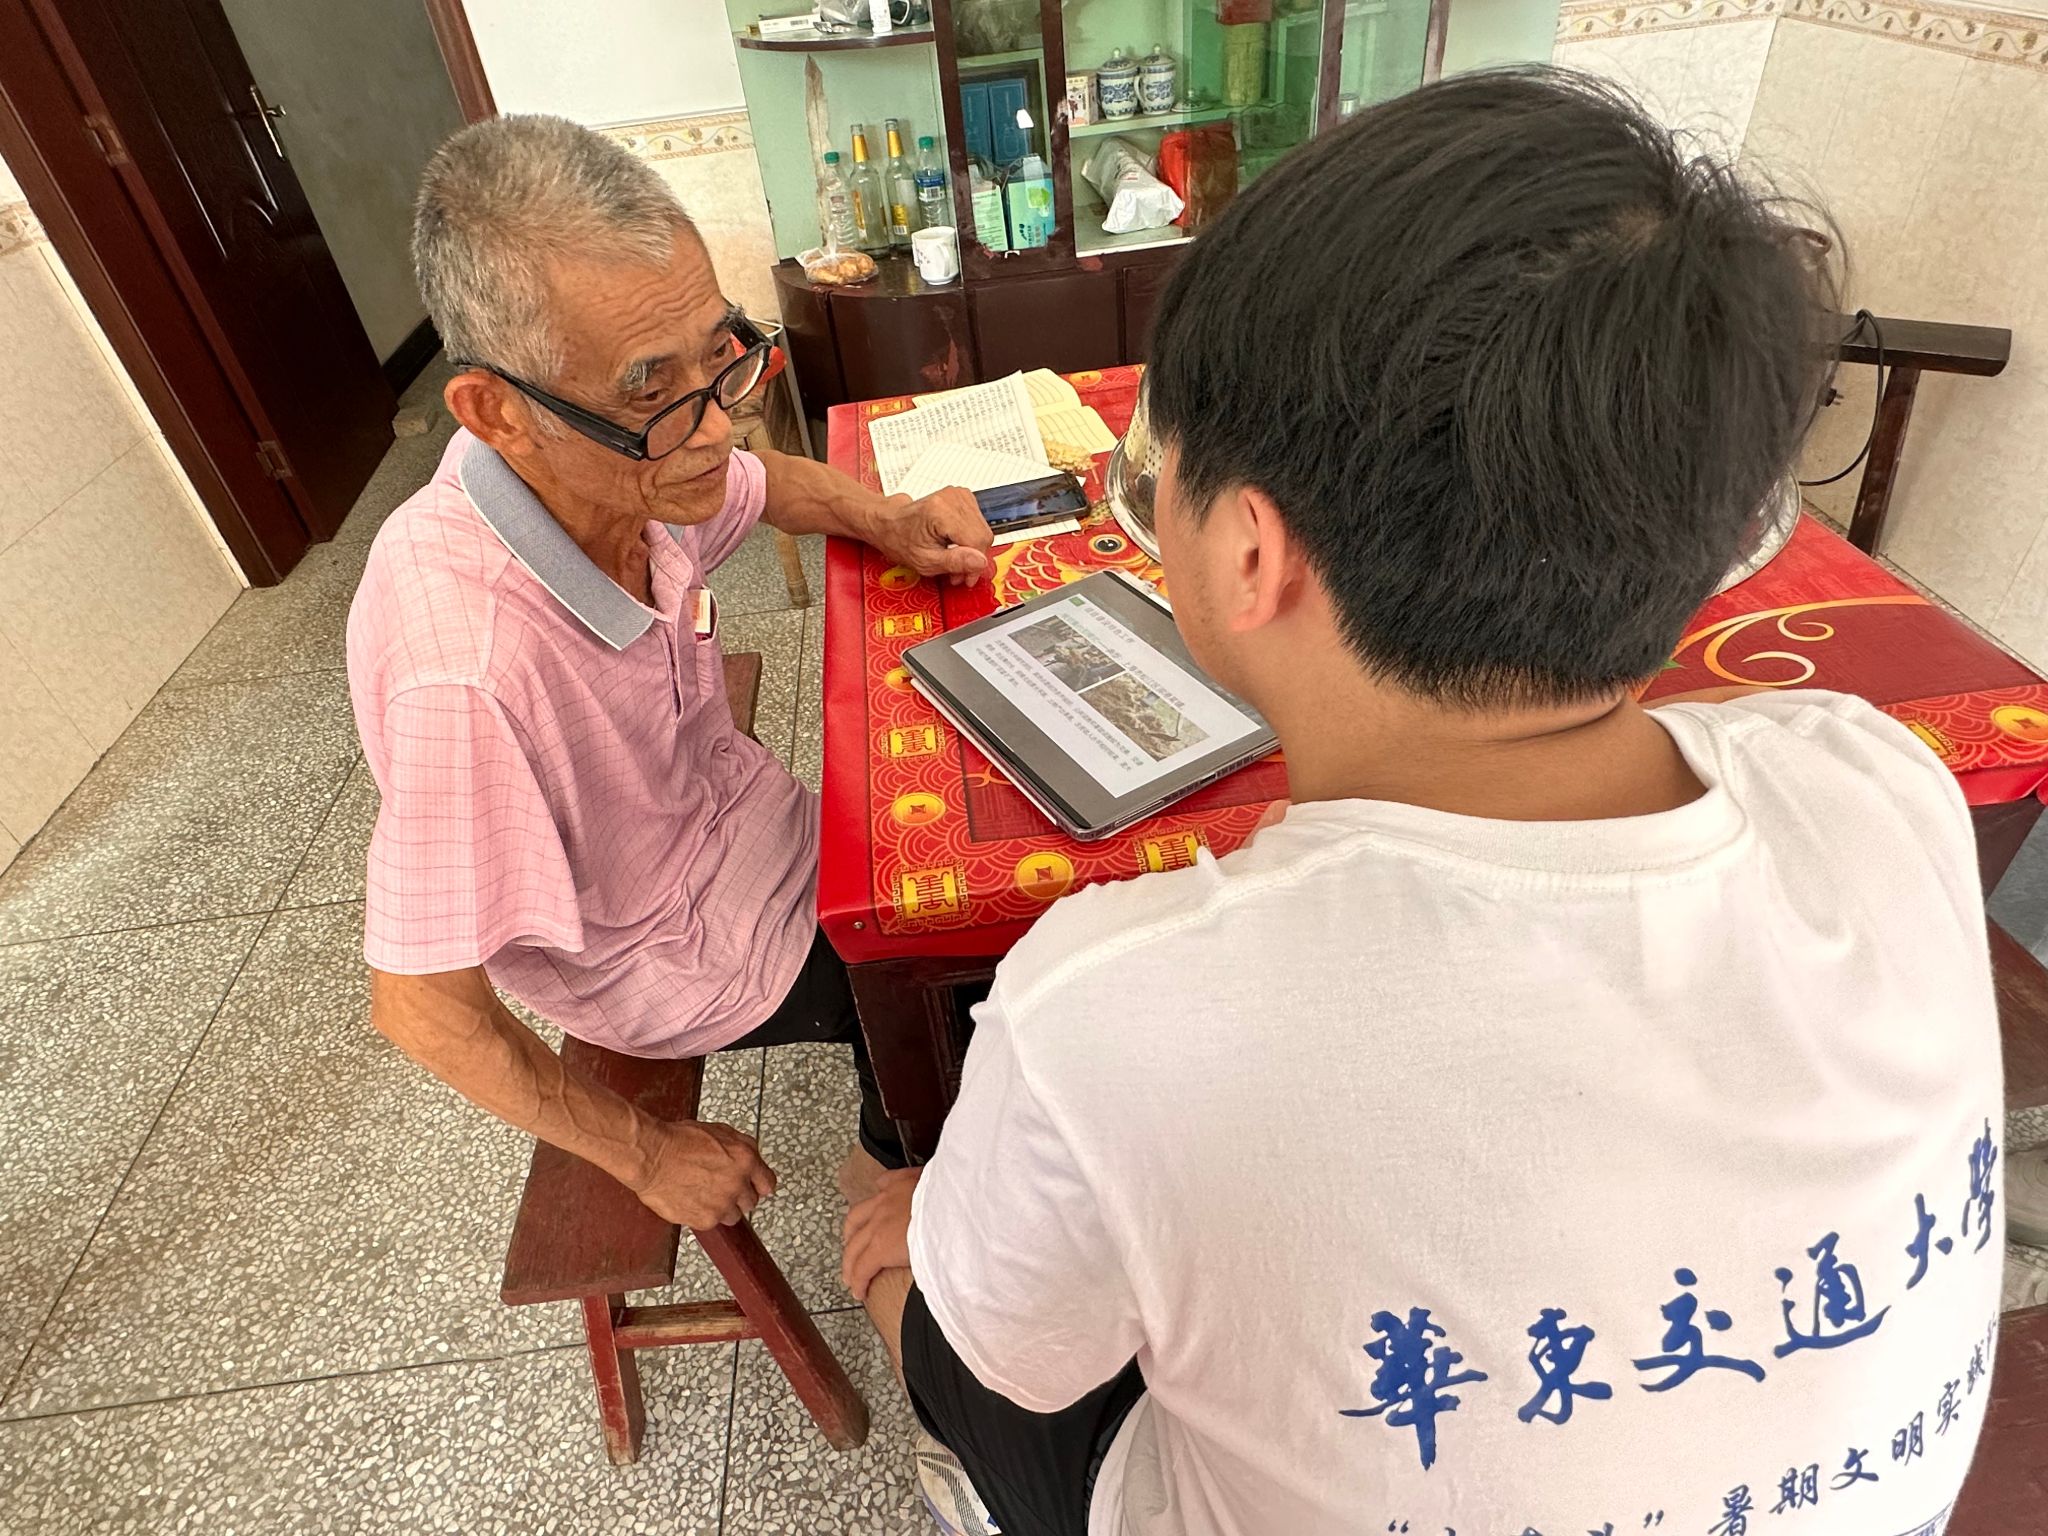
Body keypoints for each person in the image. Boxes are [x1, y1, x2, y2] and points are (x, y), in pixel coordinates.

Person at [841, 69, 2004, 1536]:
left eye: (1159, 477)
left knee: (928, 1286)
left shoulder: (1107, 1008)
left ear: (1249, 554)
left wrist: (912, 1254)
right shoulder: (1879, 777)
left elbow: (1017, 1358)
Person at [346, 115, 990, 1229]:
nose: (715, 430)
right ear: (497, 412)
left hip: (735, 818)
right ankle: (897, 1171)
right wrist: (644, 1155)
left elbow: (768, 485)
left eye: (719, 353)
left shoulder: (623, 468)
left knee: (968, 828)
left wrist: (887, 519)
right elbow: (421, 1008)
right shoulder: (467, 674)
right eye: (650, 389)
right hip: (660, 946)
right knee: (953, 968)